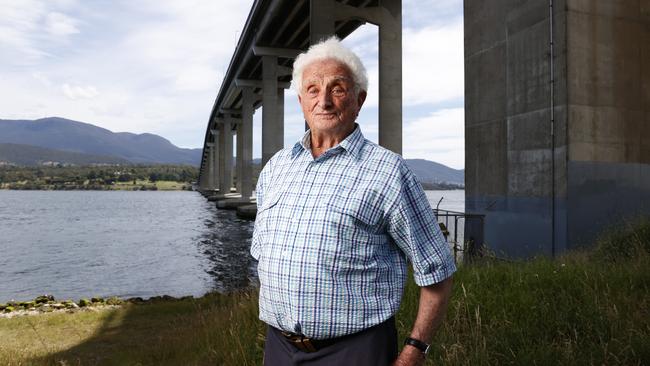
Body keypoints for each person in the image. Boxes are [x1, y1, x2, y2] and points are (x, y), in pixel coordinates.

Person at [251, 36, 456, 366]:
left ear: (358, 100)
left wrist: (415, 350)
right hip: (279, 347)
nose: (325, 101)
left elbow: (437, 269)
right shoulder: (276, 169)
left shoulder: (388, 171)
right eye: (314, 89)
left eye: (338, 88)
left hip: (354, 351)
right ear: (301, 101)